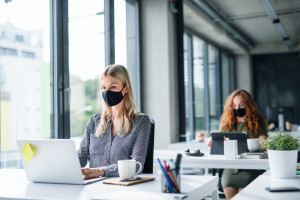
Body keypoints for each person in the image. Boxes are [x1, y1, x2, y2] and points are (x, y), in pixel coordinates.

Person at [78, 64, 151, 179]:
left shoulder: (141, 121)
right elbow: (81, 157)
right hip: (93, 186)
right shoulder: (93, 121)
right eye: (103, 87)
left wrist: (101, 171)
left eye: (113, 87)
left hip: (122, 188)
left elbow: (136, 164)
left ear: (125, 88)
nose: (107, 92)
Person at [206, 89, 268, 200]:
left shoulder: (257, 122)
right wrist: (211, 140)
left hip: (250, 168)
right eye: (234, 105)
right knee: (230, 192)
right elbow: (219, 138)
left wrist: (262, 142)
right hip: (230, 168)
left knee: (242, 196)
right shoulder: (227, 122)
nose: (237, 108)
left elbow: (263, 139)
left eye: (241, 105)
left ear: (249, 105)